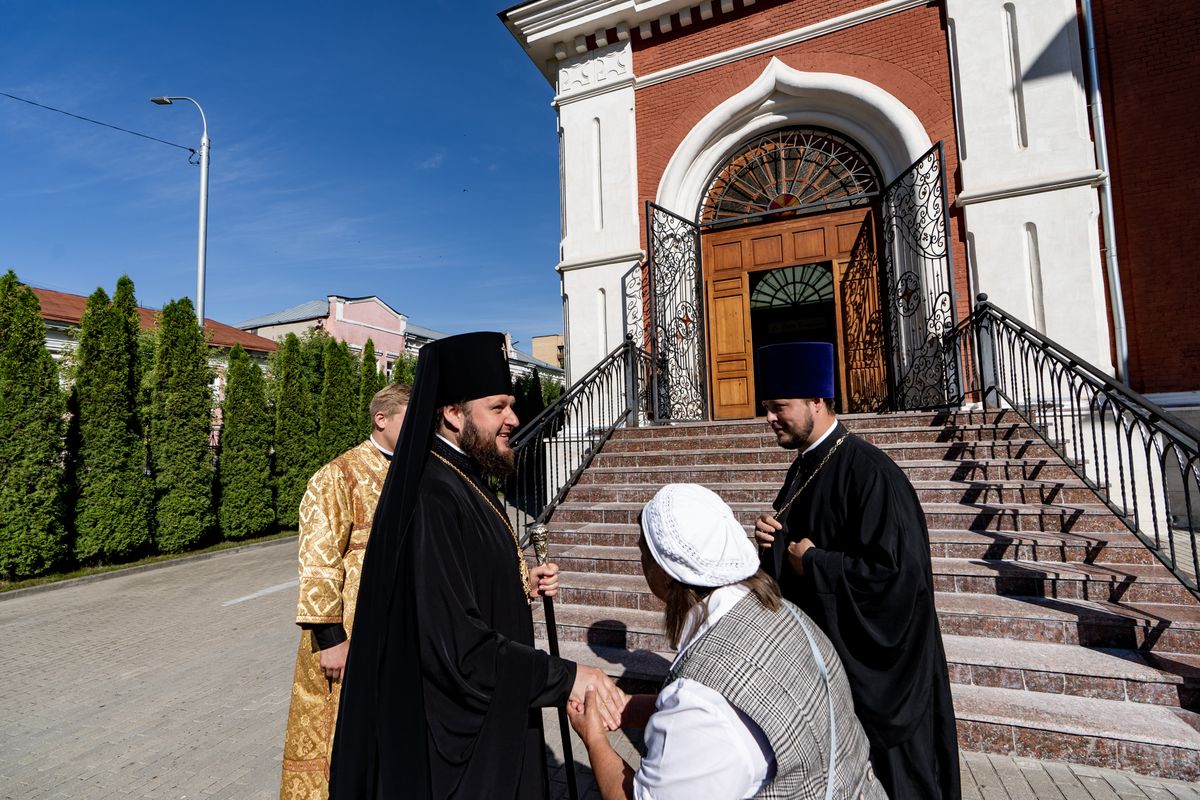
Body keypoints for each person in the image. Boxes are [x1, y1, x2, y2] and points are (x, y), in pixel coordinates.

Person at [329, 331, 625, 800]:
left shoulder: (464, 475)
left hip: (493, 715)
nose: (514, 419)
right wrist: (566, 677)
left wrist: (518, 583)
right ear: (453, 413)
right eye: (498, 407)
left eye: (511, 406)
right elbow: (458, 648)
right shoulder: (432, 494)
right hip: (459, 747)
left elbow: (462, 583)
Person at [568, 483, 884, 800]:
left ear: (664, 574)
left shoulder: (701, 697)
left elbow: (705, 716)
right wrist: (626, 708)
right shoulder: (782, 610)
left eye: (642, 552)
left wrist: (594, 738)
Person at [752, 342, 960, 800]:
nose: (769, 418)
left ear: (817, 401)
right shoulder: (805, 465)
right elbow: (796, 546)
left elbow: (897, 577)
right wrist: (773, 539)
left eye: (778, 407)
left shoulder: (871, 474)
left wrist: (814, 563)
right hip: (834, 668)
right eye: (767, 407)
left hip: (884, 680)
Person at [280, 383, 411, 800]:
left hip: (405, 623)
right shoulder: (339, 474)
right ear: (381, 419)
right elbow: (318, 559)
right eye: (411, 418)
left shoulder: (418, 471)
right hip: (350, 628)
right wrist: (330, 637)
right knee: (340, 729)